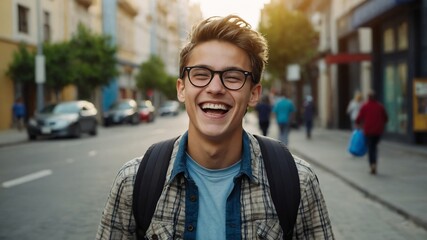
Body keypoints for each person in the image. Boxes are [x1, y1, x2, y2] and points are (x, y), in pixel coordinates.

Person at [96, 15, 334, 239]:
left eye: (232, 77)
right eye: (201, 74)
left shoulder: (298, 181)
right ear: (181, 89)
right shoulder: (133, 181)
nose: (215, 88)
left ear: (253, 94)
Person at [356, 90, 388, 175]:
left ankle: (372, 164)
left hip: (368, 131)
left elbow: (358, 118)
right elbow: (386, 117)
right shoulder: (380, 106)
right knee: (374, 147)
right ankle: (374, 163)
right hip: (378, 131)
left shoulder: (365, 106)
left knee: (370, 148)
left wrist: (358, 124)